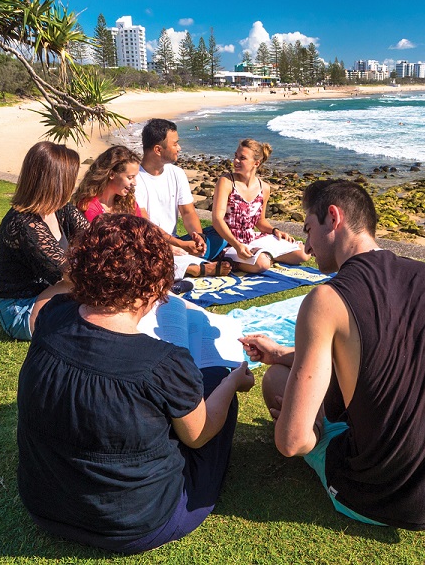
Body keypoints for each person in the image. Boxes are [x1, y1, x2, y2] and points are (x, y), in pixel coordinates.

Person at [241, 180, 425, 529]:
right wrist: (284, 351)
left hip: (382, 495)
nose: (308, 248)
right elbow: (382, 350)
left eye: (309, 230)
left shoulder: (326, 300)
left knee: (276, 382)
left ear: (333, 217)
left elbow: (292, 441)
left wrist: (304, 427)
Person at [16, 214, 254, 554]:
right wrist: (231, 385)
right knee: (215, 382)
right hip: (136, 524)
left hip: (44, 504)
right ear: (155, 288)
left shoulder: (52, 317)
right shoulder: (162, 363)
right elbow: (198, 435)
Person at [0, 141, 87, 340]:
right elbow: (72, 275)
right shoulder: (23, 223)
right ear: (56, 181)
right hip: (20, 310)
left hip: (53, 294)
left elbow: (94, 237)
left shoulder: (61, 209)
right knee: (82, 287)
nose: (75, 183)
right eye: (72, 178)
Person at [134, 118, 230, 277]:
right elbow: (146, 226)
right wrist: (180, 244)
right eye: (175, 144)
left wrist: (198, 238)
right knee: (145, 255)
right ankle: (194, 267)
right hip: (150, 242)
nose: (179, 148)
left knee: (221, 234)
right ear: (158, 150)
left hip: (176, 243)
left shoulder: (176, 173)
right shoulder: (135, 178)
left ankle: (185, 262)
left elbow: (188, 212)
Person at [212, 139, 310, 273]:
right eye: (236, 156)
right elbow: (217, 219)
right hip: (228, 242)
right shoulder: (226, 181)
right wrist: (237, 245)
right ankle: (241, 260)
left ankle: (265, 256)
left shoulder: (264, 188)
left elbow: (260, 221)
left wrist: (275, 231)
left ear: (256, 163)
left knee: (303, 253)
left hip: (252, 239)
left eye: (242, 158)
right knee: (262, 264)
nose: (236, 161)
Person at [72, 145, 143, 222]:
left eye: (135, 177)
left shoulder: (129, 203)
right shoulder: (88, 206)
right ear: (112, 174)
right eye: (130, 177)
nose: (134, 183)